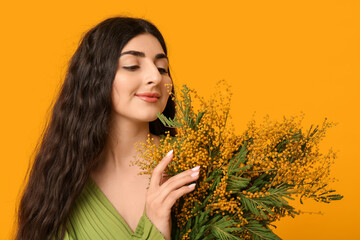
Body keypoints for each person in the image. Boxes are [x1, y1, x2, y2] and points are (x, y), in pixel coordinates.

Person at [15, 16, 201, 240]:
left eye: (162, 68)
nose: (155, 77)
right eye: (132, 66)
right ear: (95, 78)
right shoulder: (60, 184)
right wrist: (154, 228)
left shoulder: (194, 165)